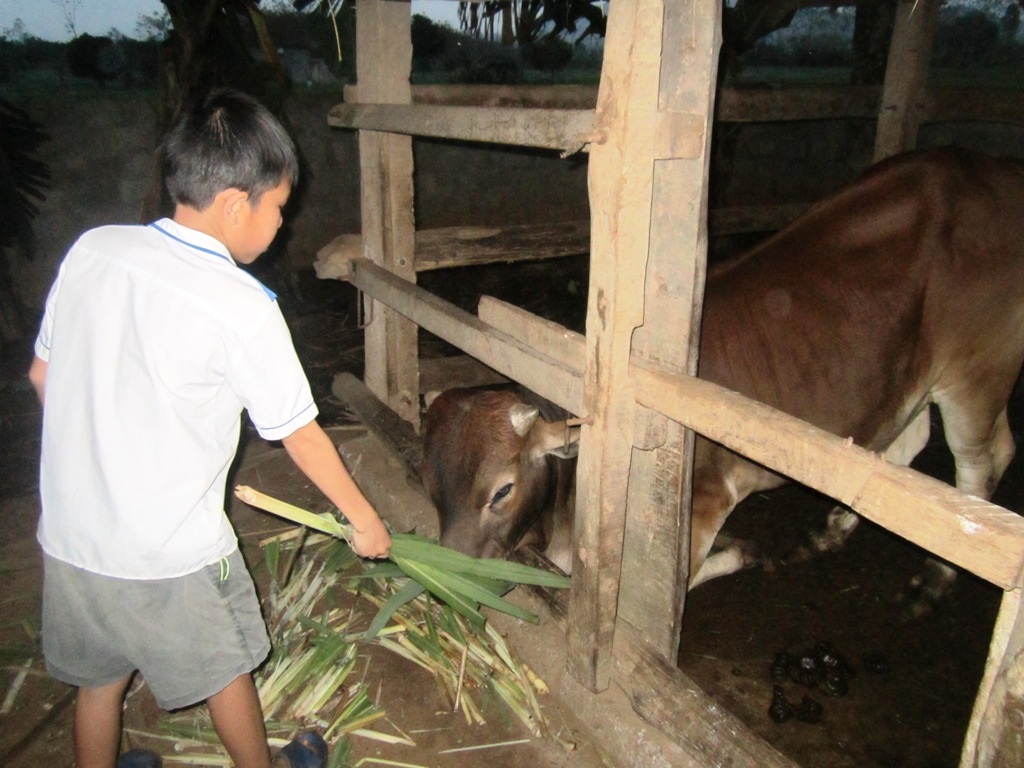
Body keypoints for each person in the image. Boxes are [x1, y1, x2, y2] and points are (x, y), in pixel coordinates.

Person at [28, 88, 392, 768]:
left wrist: (104, 451)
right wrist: (363, 519)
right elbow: (299, 434)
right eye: (279, 208)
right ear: (235, 204)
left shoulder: (94, 250)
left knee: (98, 684)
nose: (282, 225)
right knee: (226, 665)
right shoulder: (242, 306)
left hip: (72, 538)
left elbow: (44, 378)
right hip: (172, 552)